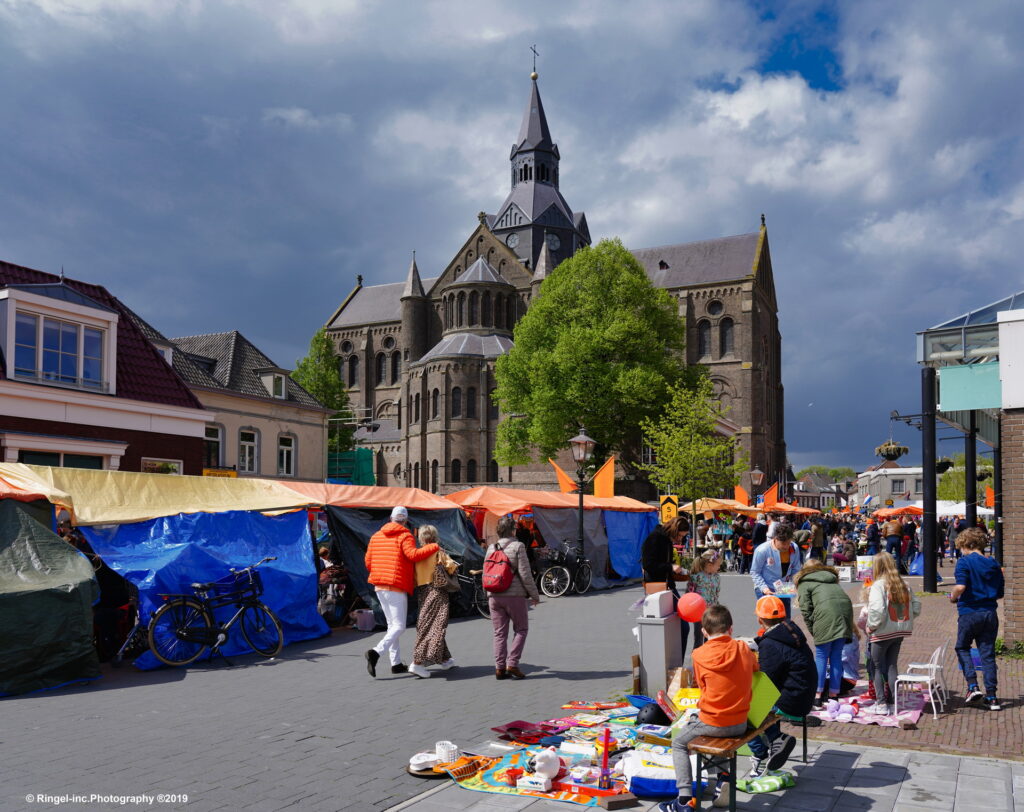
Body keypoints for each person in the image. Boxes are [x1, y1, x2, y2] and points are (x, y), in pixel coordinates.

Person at [659, 605, 756, 812]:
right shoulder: (743, 648)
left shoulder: (698, 654)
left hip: (713, 721)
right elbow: (756, 669)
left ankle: (684, 799)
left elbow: (702, 687)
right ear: (731, 628)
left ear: (703, 631)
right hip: (740, 722)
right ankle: (723, 778)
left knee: (678, 743)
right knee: (719, 731)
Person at [364, 506, 439, 678]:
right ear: (405, 521)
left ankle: (396, 663)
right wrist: (434, 546)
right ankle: (375, 652)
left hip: (379, 585)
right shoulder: (405, 535)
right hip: (396, 585)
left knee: (392, 626)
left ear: (390, 518)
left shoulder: (376, 536)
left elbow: (368, 562)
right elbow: (412, 555)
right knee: (399, 626)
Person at [748, 596, 817, 778]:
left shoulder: (770, 644)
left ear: (760, 619)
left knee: (741, 712)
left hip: (793, 701)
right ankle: (775, 740)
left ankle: (762, 752)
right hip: (804, 694)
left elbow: (765, 681)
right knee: (756, 704)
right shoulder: (791, 633)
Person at [951, 527, 1004, 711]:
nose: (961, 550)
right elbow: (999, 593)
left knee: (962, 647)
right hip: (990, 613)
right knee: (987, 654)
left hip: (969, 612)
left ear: (968, 544)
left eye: (961, 547)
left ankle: (972, 686)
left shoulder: (964, 562)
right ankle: (992, 697)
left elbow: (960, 587)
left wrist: (952, 597)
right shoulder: (994, 564)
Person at [866, 551, 921, 714]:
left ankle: (881, 703)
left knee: (875, 666)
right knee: (891, 665)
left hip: (882, 631)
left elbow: (877, 609)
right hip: (899, 630)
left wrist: (871, 626)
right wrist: (907, 619)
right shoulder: (903, 583)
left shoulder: (878, 585)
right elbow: (916, 606)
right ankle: (892, 701)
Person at [794, 559, 855, 707]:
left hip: (826, 615)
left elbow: (806, 610)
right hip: (845, 613)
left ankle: (817, 695)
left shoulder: (805, 582)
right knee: (836, 656)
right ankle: (834, 695)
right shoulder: (831, 579)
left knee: (821, 656)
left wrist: (814, 630)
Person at [488, 515, 540, 680]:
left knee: (499, 633)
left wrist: (488, 594)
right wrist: (534, 594)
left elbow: (486, 571)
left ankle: (499, 668)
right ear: (512, 530)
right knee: (521, 629)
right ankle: (512, 663)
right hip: (514, 595)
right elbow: (525, 574)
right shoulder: (518, 546)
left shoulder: (491, 547)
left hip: (494, 595)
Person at [409, 525, 459, 679]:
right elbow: (451, 567)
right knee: (435, 626)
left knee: (428, 624)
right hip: (437, 591)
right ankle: (417, 663)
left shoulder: (417, 554)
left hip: (422, 592)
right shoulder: (438, 552)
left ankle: (445, 660)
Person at [642, 516, 691, 660]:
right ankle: (676, 663)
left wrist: (676, 570)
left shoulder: (665, 540)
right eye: (680, 535)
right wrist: (670, 567)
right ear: (675, 530)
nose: (680, 539)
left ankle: (676, 663)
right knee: (682, 627)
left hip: (667, 587)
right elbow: (648, 564)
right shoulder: (655, 538)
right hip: (658, 589)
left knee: (679, 626)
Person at [749, 524, 802, 619]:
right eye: (783, 543)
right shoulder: (762, 550)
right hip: (765, 586)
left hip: (784, 586)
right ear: (775, 539)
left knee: (785, 618)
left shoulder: (794, 548)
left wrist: (797, 584)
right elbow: (755, 572)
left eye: (788, 543)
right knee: (769, 619)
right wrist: (764, 588)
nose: (786, 546)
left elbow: (796, 569)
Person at [687, 551, 721, 649]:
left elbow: (717, 593)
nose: (719, 567)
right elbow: (690, 594)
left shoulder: (717, 577)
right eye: (718, 565)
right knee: (698, 636)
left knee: (710, 635)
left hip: (711, 611)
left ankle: (708, 657)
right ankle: (697, 658)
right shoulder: (697, 577)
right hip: (699, 612)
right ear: (710, 564)